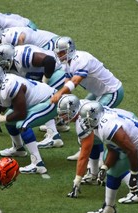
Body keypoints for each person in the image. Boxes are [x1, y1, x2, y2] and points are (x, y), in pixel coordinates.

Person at [50, 36, 124, 182]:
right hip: (99, 92)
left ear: (70, 50)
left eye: (61, 52)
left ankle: (101, 162)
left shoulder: (81, 59)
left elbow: (75, 82)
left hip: (111, 91)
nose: (59, 56)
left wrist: (59, 94)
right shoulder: (67, 62)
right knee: (85, 119)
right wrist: (62, 100)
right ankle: (93, 166)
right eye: (58, 53)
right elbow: (68, 82)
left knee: (92, 125)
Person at [0, 64, 59, 174]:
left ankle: (38, 164)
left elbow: (21, 114)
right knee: (10, 122)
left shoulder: (10, 86)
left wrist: (2, 118)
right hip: (35, 104)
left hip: (50, 100)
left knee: (22, 124)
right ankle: (19, 148)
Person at [57, 94, 138, 203]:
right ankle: (93, 175)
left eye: (65, 114)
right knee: (95, 143)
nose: (63, 117)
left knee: (116, 163)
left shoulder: (82, 122)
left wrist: (77, 180)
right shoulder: (81, 104)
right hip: (119, 122)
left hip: (124, 127)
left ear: (73, 110)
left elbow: (84, 154)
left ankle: (136, 191)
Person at [0, 43, 65, 149]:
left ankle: (53, 136)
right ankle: (61, 123)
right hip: (41, 76)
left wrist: (44, 83)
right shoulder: (9, 66)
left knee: (44, 98)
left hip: (56, 71)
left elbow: (50, 61)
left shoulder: (22, 57)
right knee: (37, 99)